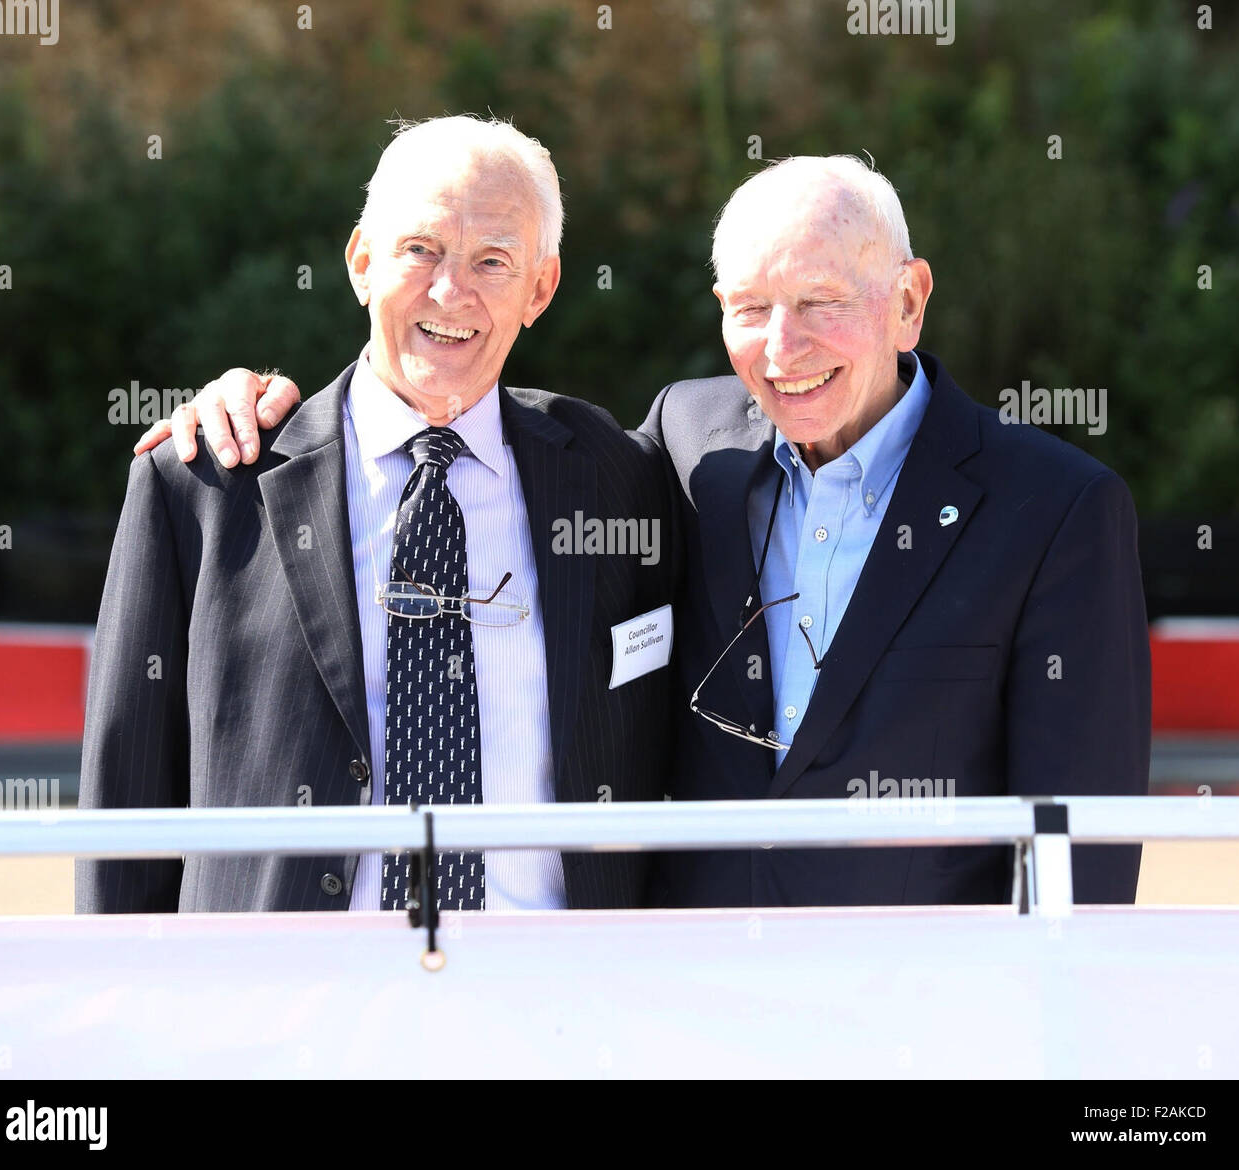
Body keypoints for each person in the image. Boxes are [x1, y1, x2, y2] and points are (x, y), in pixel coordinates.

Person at [139, 153, 1150, 908]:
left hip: (921, 1008)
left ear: (908, 301)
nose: (782, 347)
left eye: (819, 304)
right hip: (679, 993)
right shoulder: (681, 446)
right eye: (750, 308)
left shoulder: (1055, 509)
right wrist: (256, 407)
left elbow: (1084, 845)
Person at [78, 116, 675, 916]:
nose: (448, 291)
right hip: (285, 1012)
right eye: (420, 249)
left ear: (541, 288)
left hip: (549, 1009)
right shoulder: (204, 484)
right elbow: (126, 800)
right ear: (361, 260)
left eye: (492, 261)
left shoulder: (619, 480)